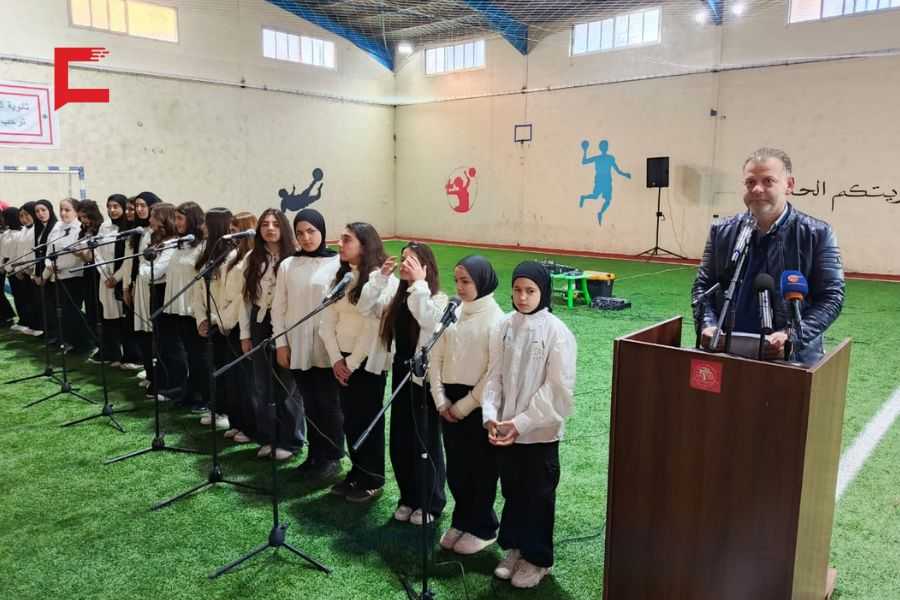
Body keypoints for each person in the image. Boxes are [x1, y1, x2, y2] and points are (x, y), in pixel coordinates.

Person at [692, 147, 845, 365]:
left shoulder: (817, 234)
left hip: (789, 357)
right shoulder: (721, 231)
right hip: (727, 350)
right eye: (750, 182)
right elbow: (703, 287)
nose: (757, 189)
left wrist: (792, 337)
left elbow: (832, 297)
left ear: (789, 185)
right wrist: (707, 325)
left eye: (768, 181)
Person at [482, 261, 577, 589]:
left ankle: (537, 559)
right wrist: (491, 414)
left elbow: (557, 390)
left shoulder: (557, 332)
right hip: (506, 431)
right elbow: (494, 376)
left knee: (538, 495)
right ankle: (515, 548)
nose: (522, 297)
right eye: (518, 290)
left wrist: (520, 423)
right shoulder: (504, 326)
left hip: (538, 434)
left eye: (530, 291)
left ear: (543, 292)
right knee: (513, 491)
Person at [429, 255, 505, 554]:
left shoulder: (497, 319)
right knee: (458, 468)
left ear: (482, 282)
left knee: (480, 468)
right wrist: (440, 399)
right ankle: (462, 520)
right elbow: (435, 356)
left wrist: (463, 406)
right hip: (449, 400)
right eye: (457, 280)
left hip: (478, 405)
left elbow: (493, 373)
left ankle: (483, 527)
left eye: (466, 281)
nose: (459, 287)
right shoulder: (452, 311)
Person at [372, 241, 447, 525]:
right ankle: (409, 497)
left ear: (426, 268)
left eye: (412, 261)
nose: (405, 264)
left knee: (425, 441)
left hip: (423, 380)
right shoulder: (398, 297)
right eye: (403, 259)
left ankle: (431, 501)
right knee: (401, 440)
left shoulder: (438, 299)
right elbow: (367, 307)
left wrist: (419, 284)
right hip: (401, 373)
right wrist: (380, 278)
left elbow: (430, 322)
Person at [319, 222, 393, 503]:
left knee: (367, 422)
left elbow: (373, 329)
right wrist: (336, 359)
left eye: (347, 239)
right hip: (342, 361)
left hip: (366, 363)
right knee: (350, 420)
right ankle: (357, 471)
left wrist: (350, 364)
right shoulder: (342, 276)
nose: (340, 244)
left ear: (365, 244)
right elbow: (327, 322)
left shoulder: (381, 280)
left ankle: (372, 478)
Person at [271, 208, 342, 479]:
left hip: (327, 346)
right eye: (300, 233)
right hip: (297, 345)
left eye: (311, 231)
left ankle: (333, 457)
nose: (306, 238)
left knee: (329, 404)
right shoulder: (288, 265)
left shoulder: (337, 263)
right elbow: (279, 308)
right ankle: (316, 454)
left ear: (322, 231)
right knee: (309, 403)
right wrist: (281, 343)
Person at [239, 208, 302, 461]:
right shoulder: (252, 258)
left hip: (286, 323)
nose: (270, 228)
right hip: (259, 321)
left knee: (287, 384)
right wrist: (245, 334)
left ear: (283, 228)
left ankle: (291, 439)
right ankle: (268, 436)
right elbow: (245, 299)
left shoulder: (295, 257)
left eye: (275, 224)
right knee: (261, 384)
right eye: (265, 224)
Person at [43, 198, 90, 354]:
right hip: (56, 275)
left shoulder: (79, 228)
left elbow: (77, 256)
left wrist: (60, 267)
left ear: (76, 212)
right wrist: (49, 265)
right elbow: (49, 251)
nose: (63, 213)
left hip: (73, 276)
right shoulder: (57, 227)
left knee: (72, 312)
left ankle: (82, 343)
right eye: (61, 210)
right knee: (61, 312)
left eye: (67, 210)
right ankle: (67, 340)